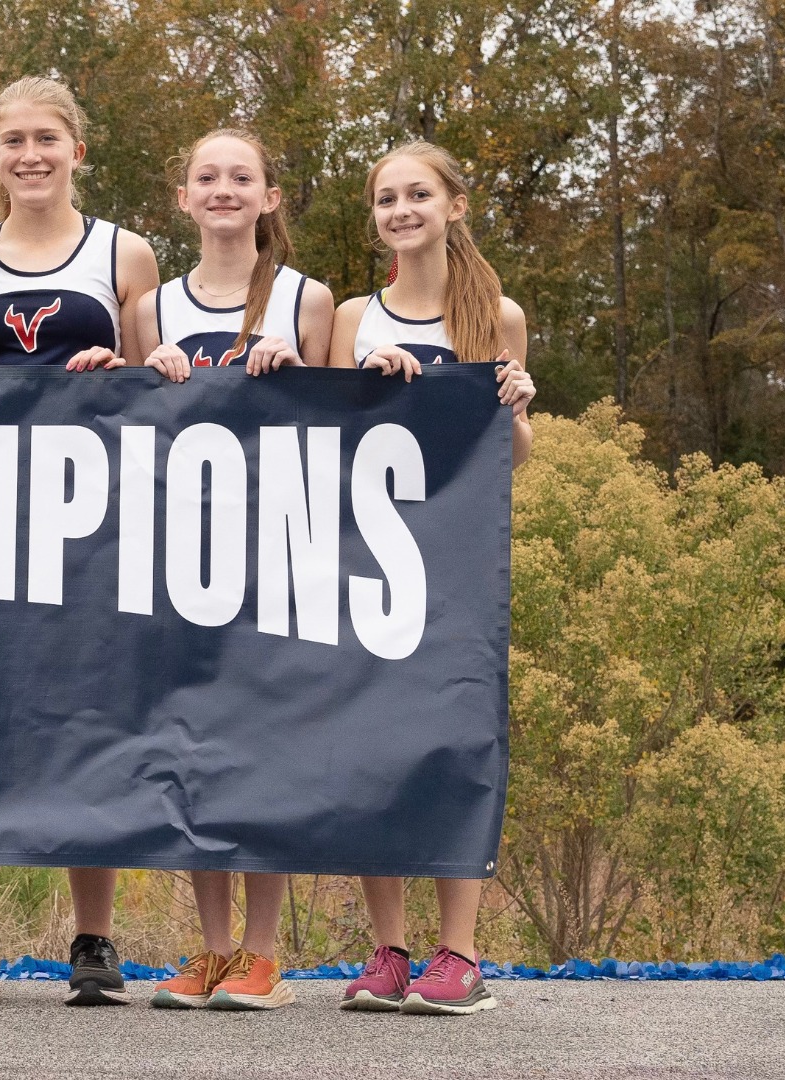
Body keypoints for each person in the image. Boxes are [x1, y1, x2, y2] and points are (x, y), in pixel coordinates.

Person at [0, 76, 161, 1007]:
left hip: (94, 524)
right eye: (12, 140)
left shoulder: (125, 253)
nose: (30, 155)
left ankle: (93, 940)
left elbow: (161, 387)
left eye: (47, 138)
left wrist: (125, 365)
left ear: (76, 151)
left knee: (90, 722)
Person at [330, 139, 535, 1015]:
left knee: (457, 750)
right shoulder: (350, 317)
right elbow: (327, 446)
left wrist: (517, 409)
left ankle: (461, 955)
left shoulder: (500, 315)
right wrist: (374, 391)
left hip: (454, 566)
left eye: (418, 194)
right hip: (365, 565)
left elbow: (511, 461)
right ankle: (389, 948)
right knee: (369, 751)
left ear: (454, 205)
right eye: (386, 199)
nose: (401, 210)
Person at [137, 128, 335, 1012]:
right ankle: (212, 950)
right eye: (206, 176)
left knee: (265, 753)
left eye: (241, 177)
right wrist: (146, 372)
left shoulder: (311, 298)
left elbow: (345, 434)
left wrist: (296, 381)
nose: (223, 189)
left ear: (270, 198)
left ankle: (263, 956)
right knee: (189, 751)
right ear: (183, 198)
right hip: (179, 554)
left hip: (278, 551)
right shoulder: (150, 304)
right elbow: (122, 425)